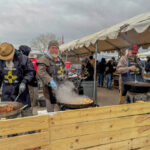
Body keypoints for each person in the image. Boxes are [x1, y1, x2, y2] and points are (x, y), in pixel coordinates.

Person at [0, 42, 35, 117]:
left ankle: (30, 128)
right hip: (7, 92)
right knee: (8, 115)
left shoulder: (23, 59)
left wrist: (24, 82)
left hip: (21, 91)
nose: (7, 59)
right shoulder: (1, 60)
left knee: (26, 113)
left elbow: (30, 72)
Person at [37, 40, 65, 112]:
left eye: (56, 48)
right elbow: (41, 72)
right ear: (48, 49)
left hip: (60, 89)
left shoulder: (60, 59)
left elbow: (63, 71)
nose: (54, 50)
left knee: (61, 109)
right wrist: (50, 81)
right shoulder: (44, 59)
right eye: (52, 48)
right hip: (49, 90)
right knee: (50, 112)